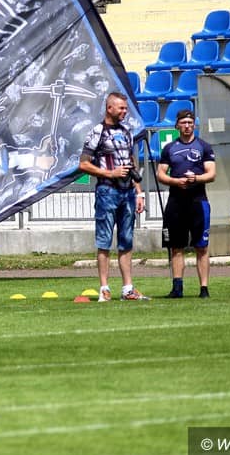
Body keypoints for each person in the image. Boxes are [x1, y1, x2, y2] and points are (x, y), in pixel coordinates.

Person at [78, 92, 149, 302]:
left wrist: (139, 192)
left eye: (126, 108)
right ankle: (104, 288)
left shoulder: (127, 132)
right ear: (110, 108)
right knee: (104, 241)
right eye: (121, 108)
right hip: (107, 191)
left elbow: (131, 163)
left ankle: (128, 288)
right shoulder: (97, 132)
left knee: (126, 241)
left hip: (128, 193)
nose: (125, 112)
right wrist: (110, 173)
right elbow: (83, 164)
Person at [156, 109, 217, 299]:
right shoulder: (169, 148)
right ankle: (177, 288)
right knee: (176, 247)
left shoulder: (204, 147)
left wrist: (196, 179)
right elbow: (160, 174)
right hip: (176, 203)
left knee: (202, 247)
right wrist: (176, 181)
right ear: (177, 125)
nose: (187, 126)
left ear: (194, 125)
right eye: (183, 123)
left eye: (190, 123)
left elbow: (211, 174)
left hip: (198, 202)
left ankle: (204, 289)